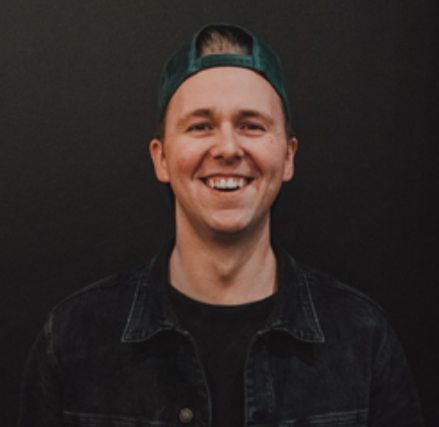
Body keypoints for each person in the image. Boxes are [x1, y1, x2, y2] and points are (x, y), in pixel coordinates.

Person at [18, 23, 423, 427]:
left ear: (288, 157)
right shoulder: (71, 341)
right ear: (161, 158)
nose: (228, 148)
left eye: (252, 125)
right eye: (200, 126)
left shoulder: (363, 338)